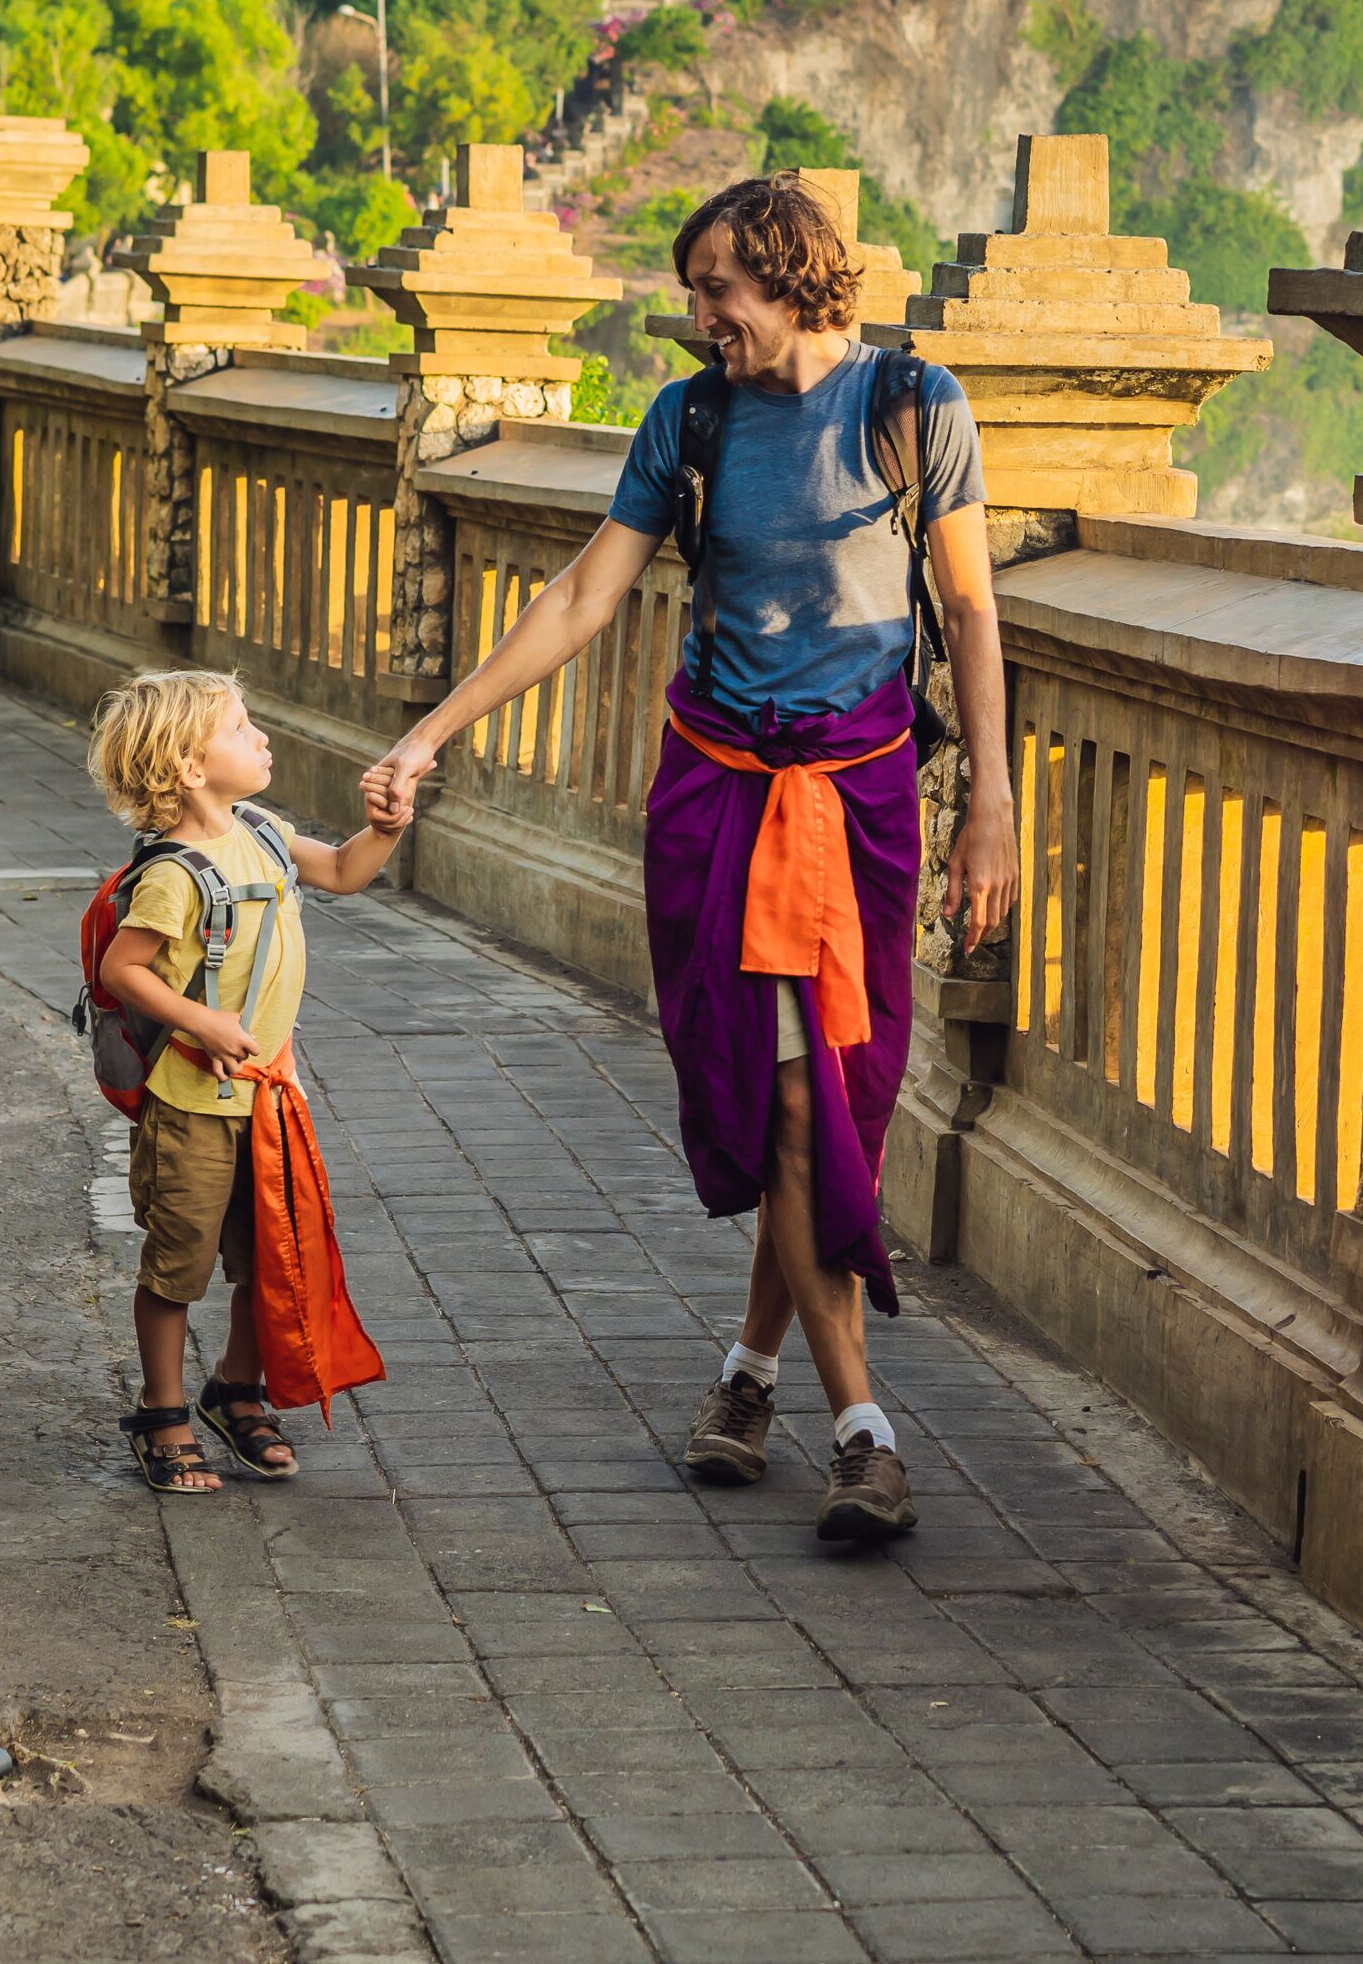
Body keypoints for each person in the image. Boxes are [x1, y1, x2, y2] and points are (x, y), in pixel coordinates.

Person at [363, 173, 1018, 1541]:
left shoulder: (913, 409)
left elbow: (967, 606)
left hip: (861, 801)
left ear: (791, 274)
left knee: (829, 1103)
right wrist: (431, 736)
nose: (701, 314)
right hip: (722, 789)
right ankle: (865, 1434)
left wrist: (994, 801)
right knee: (785, 1102)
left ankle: (746, 1380)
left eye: (718, 287)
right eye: (697, 291)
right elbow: (583, 594)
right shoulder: (693, 420)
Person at [87, 671, 407, 1494]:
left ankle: (236, 1390)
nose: (261, 737)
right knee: (177, 1266)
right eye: (241, 727)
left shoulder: (262, 831)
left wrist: (384, 830)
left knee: (273, 1260)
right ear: (191, 768)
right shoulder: (172, 874)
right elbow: (125, 970)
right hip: (193, 1108)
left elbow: (338, 872)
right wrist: (202, 1023)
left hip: (269, 1098)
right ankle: (161, 1412)